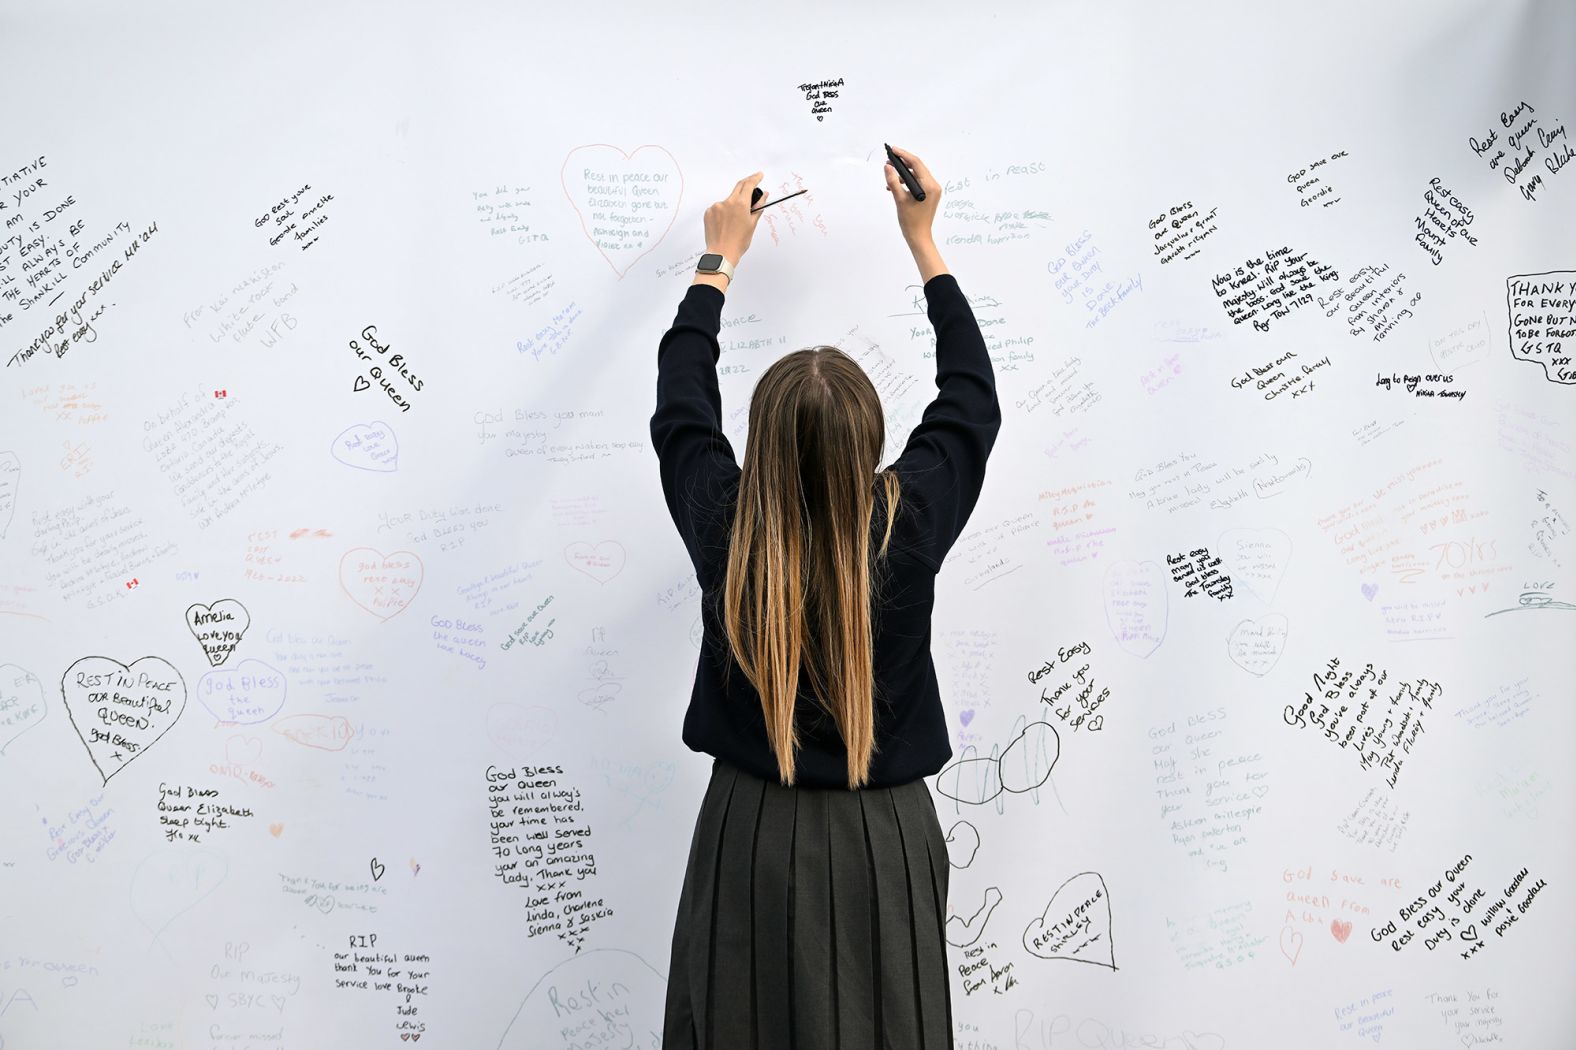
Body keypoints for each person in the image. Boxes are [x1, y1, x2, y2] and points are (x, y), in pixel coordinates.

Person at [649, 145, 1001, 1050]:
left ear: (758, 443)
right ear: (872, 441)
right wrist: (925, 242)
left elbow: (681, 407)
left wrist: (716, 264)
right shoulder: (908, 521)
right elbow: (971, 400)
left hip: (749, 836)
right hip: (884, 840)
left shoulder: (724, 522)